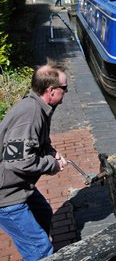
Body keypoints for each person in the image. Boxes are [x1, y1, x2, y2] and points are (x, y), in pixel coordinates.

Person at [0, 64, 68, 260]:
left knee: (43, 213)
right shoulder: (29, 115)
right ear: (51, 91)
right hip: (6, 194)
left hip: (20, 185)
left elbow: (39, 140)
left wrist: (51, 152)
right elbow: (16, 161)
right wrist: (52, 164)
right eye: (65, 88)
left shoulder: (40, 106)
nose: (66, 92)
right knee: (40, 249)